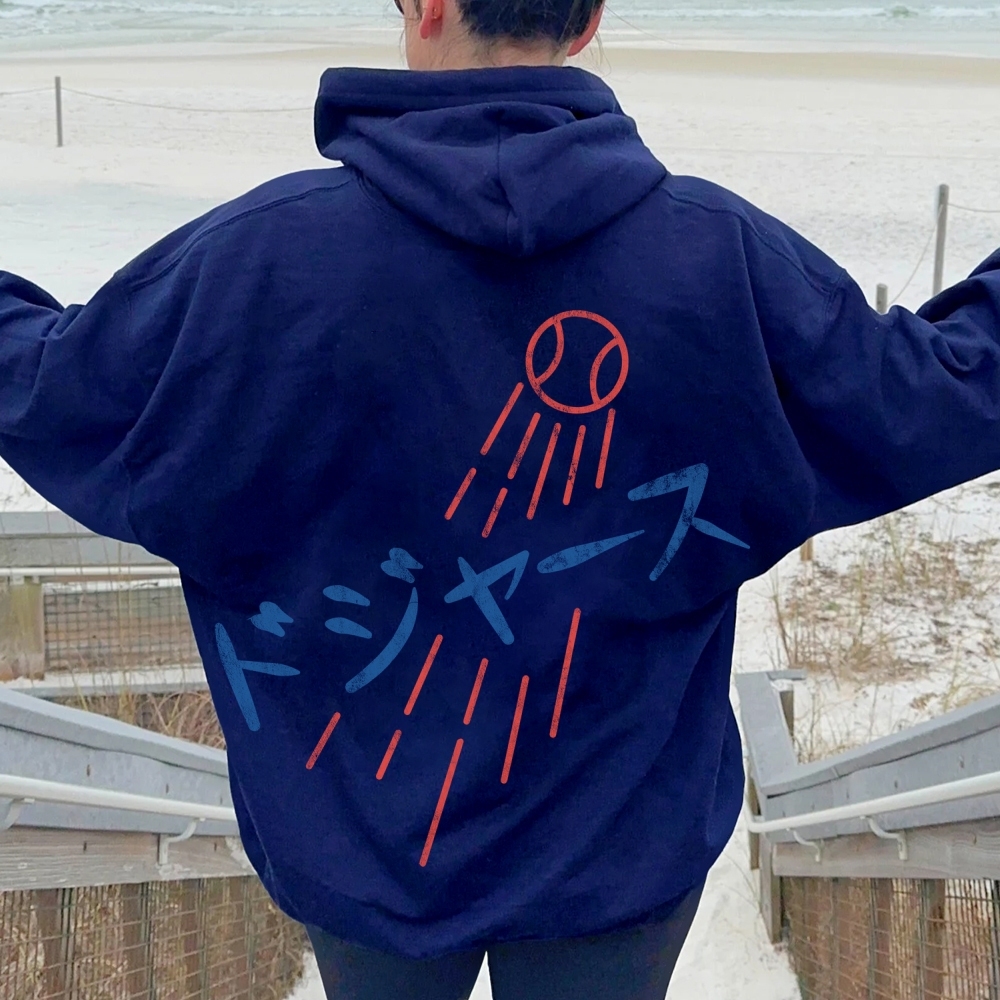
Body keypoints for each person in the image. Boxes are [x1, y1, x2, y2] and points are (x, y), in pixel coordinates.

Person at [2, 0, 1000, 995]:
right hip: (620, 843)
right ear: (588, 18)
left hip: (359, 841)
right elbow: (941, 393)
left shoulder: (255, 260)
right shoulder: (719, 261)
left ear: (428, 6)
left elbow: (51, 391)